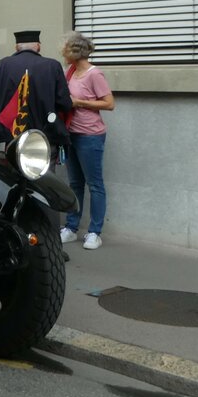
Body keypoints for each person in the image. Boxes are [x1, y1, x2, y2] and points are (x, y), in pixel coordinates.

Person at [58, 31, 115, 250]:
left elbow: (109, 103)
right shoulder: (69, 72)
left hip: (90, 135)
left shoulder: (94, 74)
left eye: (65, 49)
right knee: (75, 183)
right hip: (72, 133)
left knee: (95, 184)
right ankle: (72, 227)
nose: (62, 53)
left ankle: (94, 232)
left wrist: (80, 102)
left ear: (73, 51)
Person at [0, 29, 72, 150]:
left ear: (16, 47)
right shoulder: (53, 66)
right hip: (45, 133)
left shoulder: (3, 64)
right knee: (45, 168)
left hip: (13, 133)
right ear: (38, 46)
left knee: (12, 167)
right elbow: (65, 103)